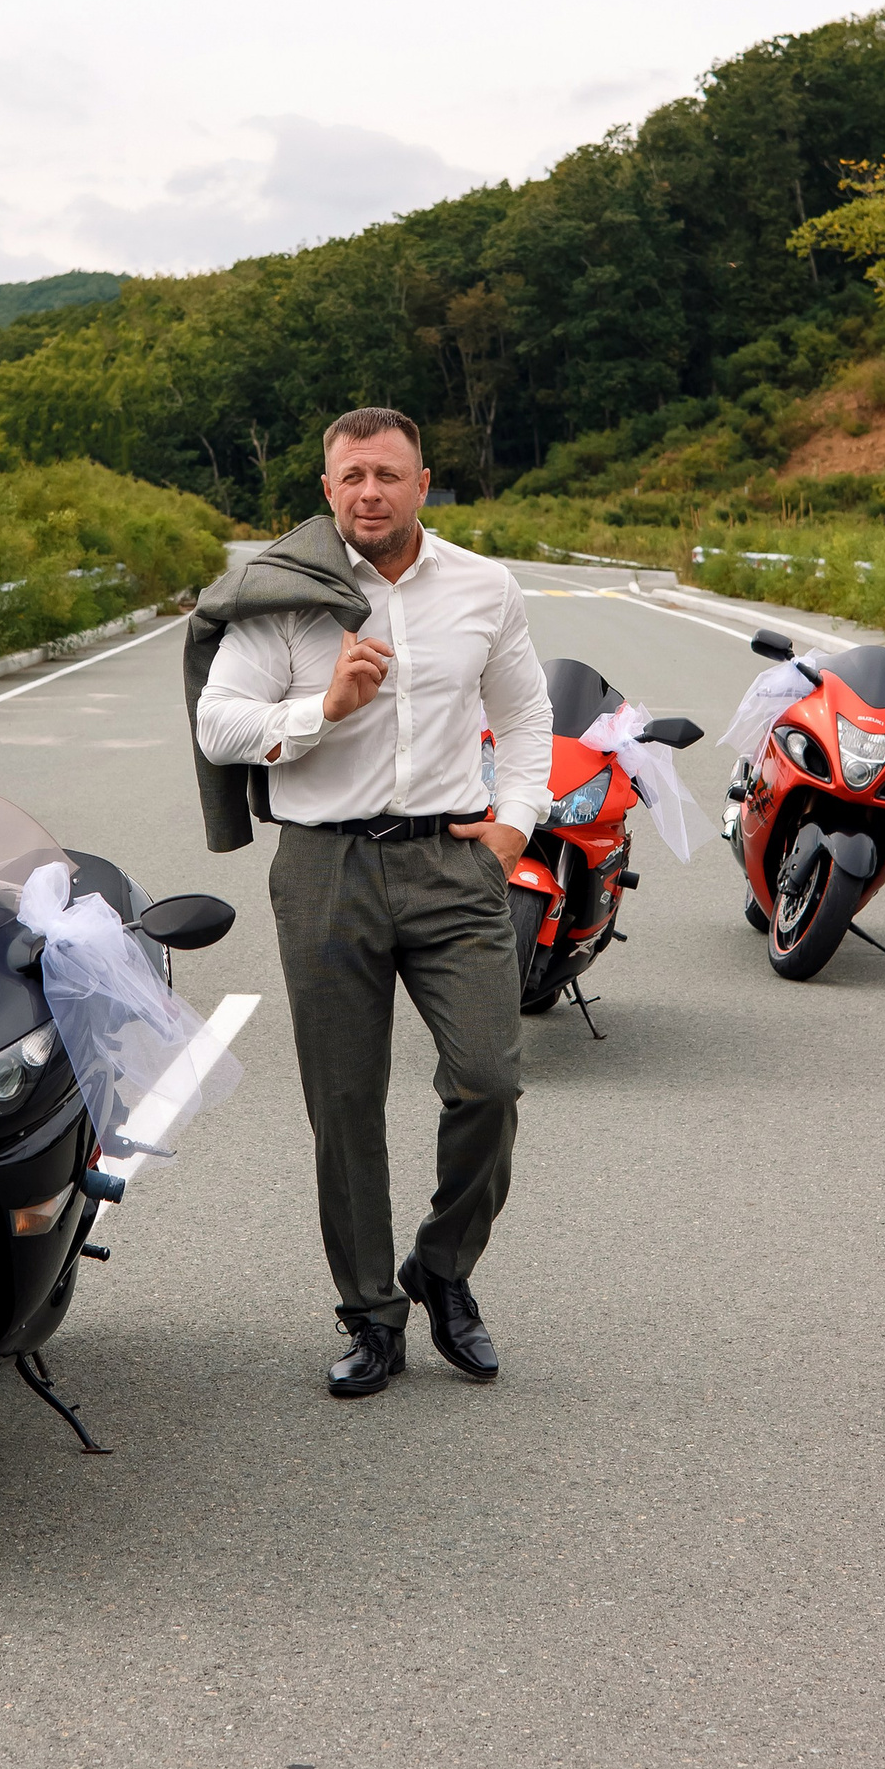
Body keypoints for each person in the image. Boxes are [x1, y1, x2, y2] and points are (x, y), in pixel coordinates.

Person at [193, 408, 553, 1398]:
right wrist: (323, 710)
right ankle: (370, 1313)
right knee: (345, 1104)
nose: (370, 492)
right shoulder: (289, 595)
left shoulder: (483, 587)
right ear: (328, 489)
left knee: (489, 1082)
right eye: (352, 476)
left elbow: (526, 714)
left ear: (422, 484)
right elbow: (220, 725)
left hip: (452, 864)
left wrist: (517, 822)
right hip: (326, 870)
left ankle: (442, 1266)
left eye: (388, 474)